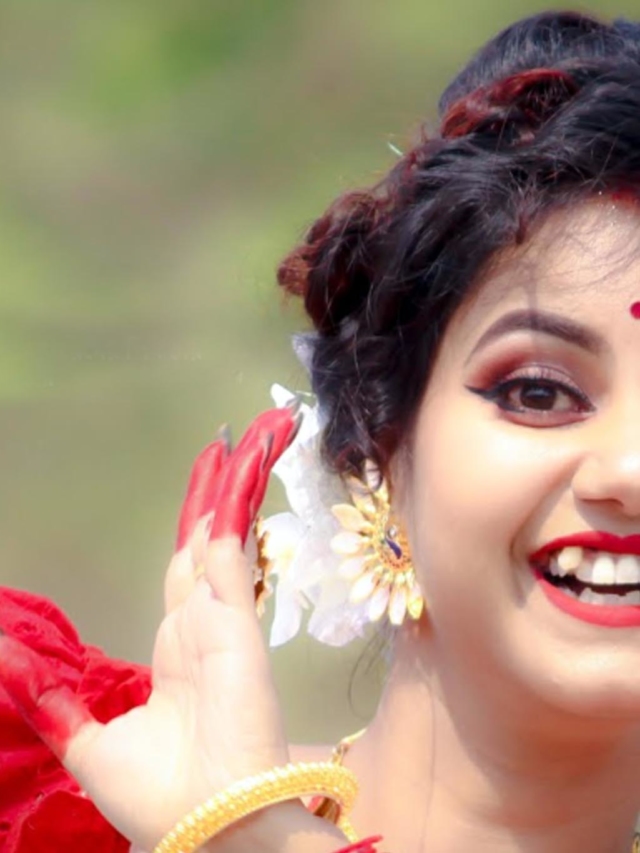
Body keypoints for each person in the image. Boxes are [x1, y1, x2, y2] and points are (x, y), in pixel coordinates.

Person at [2, 9, 640, 852]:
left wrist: (257, 837)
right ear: (379, 446)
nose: (630, 469)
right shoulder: (61, 788)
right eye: (539, 392)